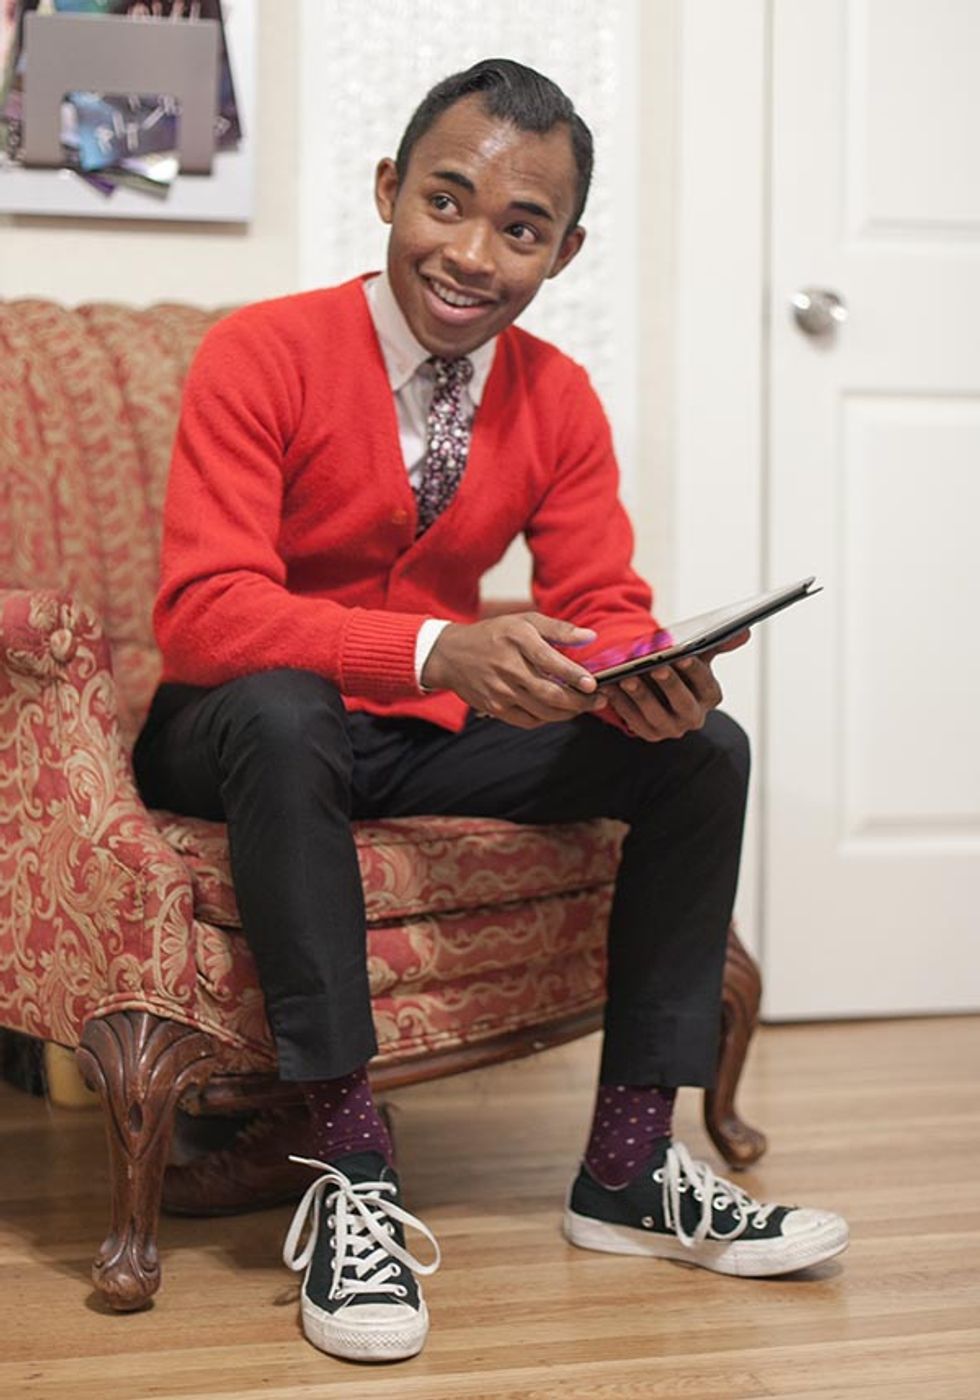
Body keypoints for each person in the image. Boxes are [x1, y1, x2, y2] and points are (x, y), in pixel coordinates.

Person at [133, 58, 848, 1365]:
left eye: (521, 229)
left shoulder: (556, 395)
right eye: (446, 202)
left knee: (702, 752)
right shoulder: (262, 352)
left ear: (563, 251)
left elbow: (601, 600)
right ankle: (348, 1168)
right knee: (288, 713)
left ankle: (628, 1170)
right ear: (388, 189)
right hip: (232, 728)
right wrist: (432, 650)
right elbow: (206, 614)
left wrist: (647, 674)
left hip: (407, 735)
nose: (471, 255)